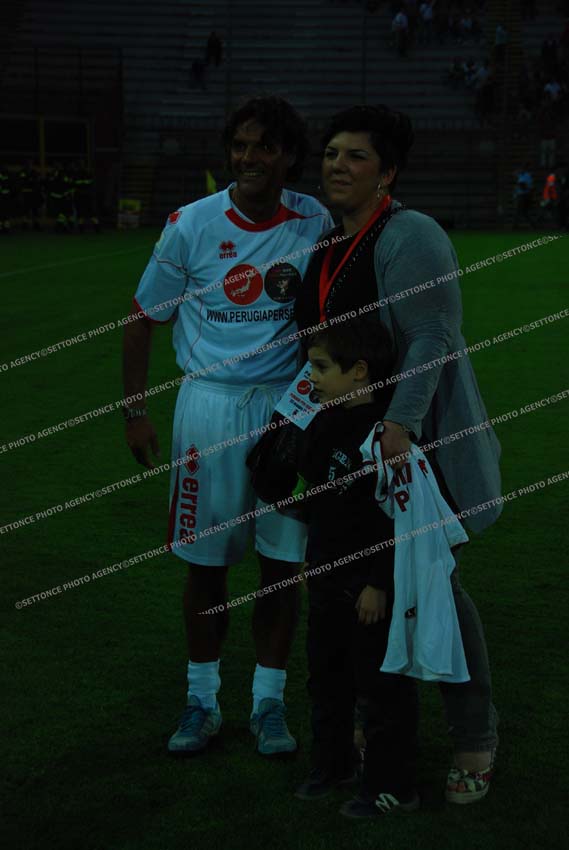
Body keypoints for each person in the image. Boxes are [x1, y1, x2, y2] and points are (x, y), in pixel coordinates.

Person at [294, 104, 501, 804]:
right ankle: (372, 723)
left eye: (356, 156)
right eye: (331, 152)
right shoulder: (331, 242)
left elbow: (431, 336)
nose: (338, 165)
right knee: (361, 586)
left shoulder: (411, 234)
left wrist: (399, 426)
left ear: (387, 173)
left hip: (413, 445)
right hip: (353, 450)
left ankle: (474, 736)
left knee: (435, 583)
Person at [123, 96, 333, 758]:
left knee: (283, 566)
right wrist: (135, 412)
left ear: (289, 156)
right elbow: (142, 319)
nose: (248, 158)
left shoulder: (314, 220)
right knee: (206, 568)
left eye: (264, 146)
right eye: (240, 145)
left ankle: (269, 704)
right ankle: (202, 701)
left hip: (287, 410)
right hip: (207, 410)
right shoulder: (190, 224)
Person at [293, 317, 420, 818]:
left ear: (360, 372)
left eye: (322, 368)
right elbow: (320, 504)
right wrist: (312, 563)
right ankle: (333, 764)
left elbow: (393, 516)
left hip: (367, 587)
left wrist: (378, 583)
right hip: (327, 576)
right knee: (326, 676)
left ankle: (394, 786)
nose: (312, 378)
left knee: (381, 685)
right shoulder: (324, 422)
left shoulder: (385, 435)